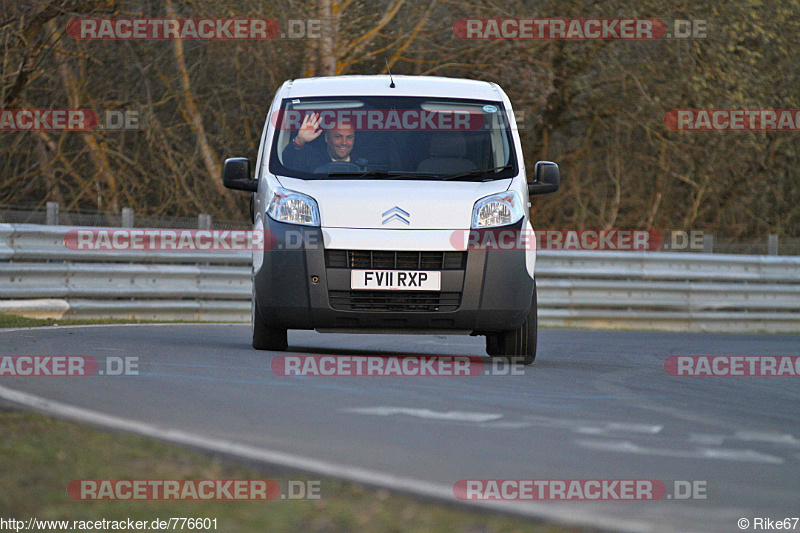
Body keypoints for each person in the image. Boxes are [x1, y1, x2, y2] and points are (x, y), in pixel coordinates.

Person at [281, 112, 365, 173]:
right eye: (338, 136)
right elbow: (287, 161)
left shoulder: (364, 163)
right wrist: (299, 140)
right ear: (326, 138)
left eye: (349, 137)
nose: (344, 142)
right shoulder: (311, 160)